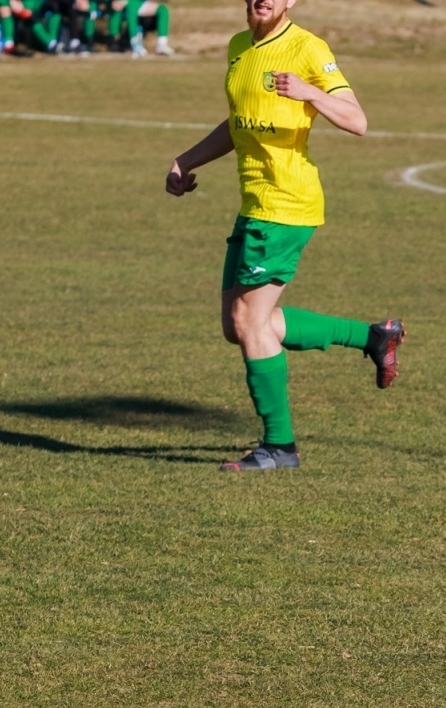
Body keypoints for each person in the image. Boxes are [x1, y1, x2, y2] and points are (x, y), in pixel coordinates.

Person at [164, 0, 404, 472]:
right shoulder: (239, 47)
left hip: (287, 206)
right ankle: (375, 337)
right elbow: (238, 125)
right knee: (240, 326)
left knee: (251, 324)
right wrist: (186, 160)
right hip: (254, 204)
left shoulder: (307, 48)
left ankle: (280, 447)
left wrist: (309, 92)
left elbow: (358, 122)